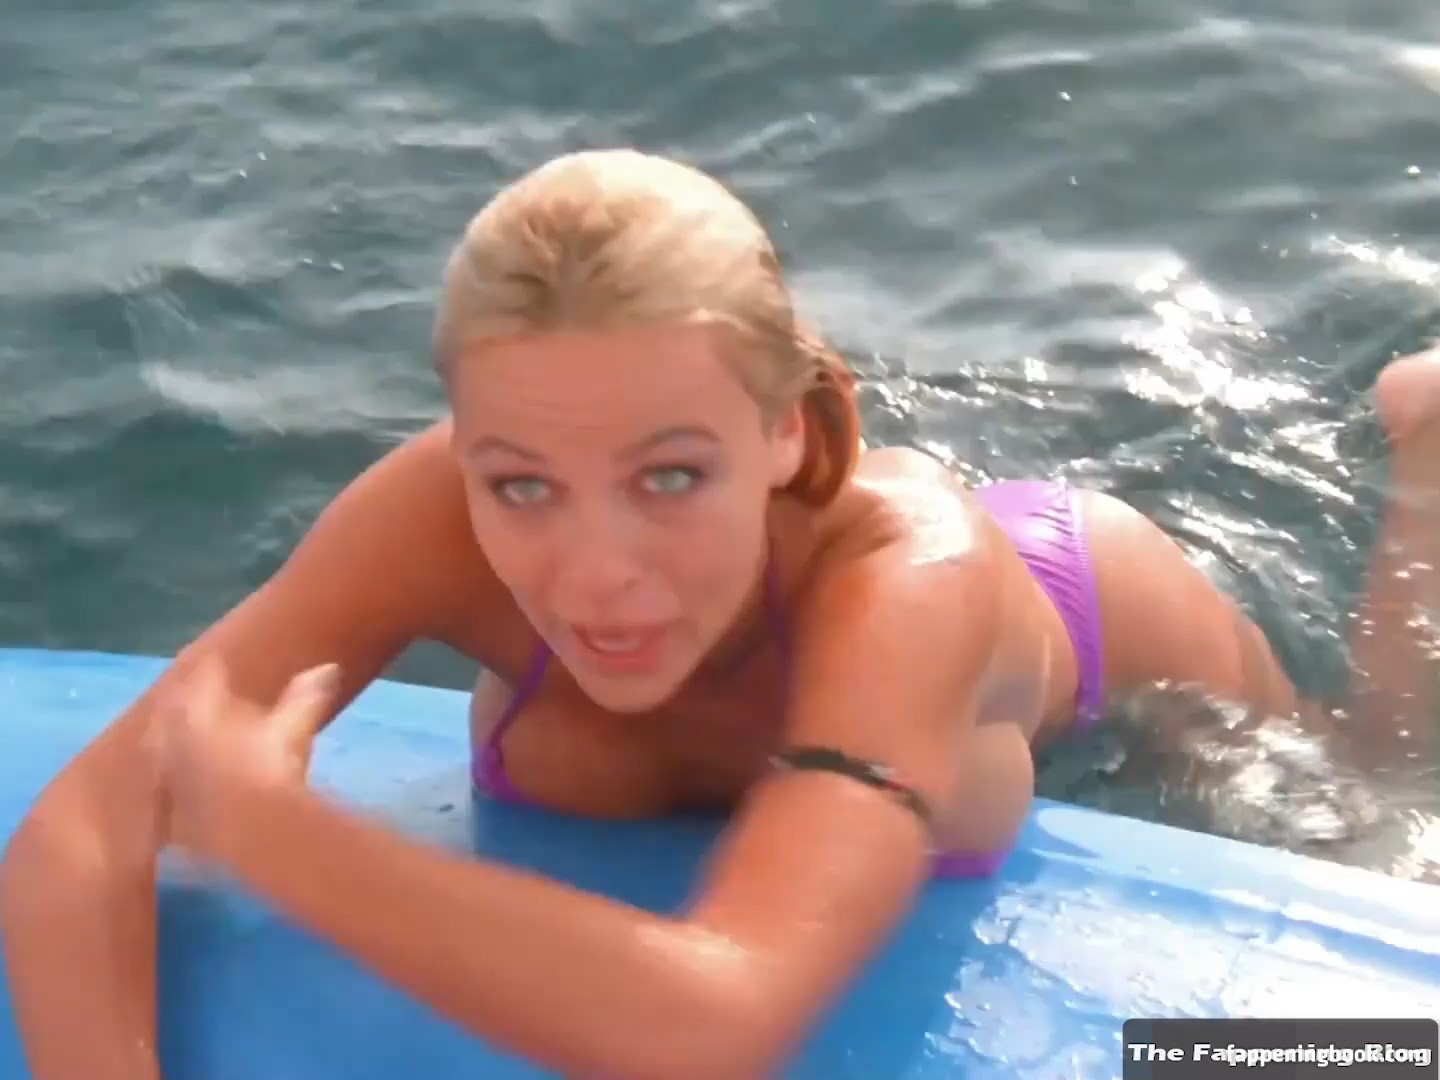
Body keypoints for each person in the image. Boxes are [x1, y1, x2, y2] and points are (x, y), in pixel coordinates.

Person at [1, 148, 1437, 1080]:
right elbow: (78, 836)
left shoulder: (912, 579)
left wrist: (286, 841)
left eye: (670, 476)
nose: (596, 573)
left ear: (792, 431)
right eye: (521, 484)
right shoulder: (433, 511)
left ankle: (1425, 460)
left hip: (1083, 621)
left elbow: (720, 1022)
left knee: (1371, 799)